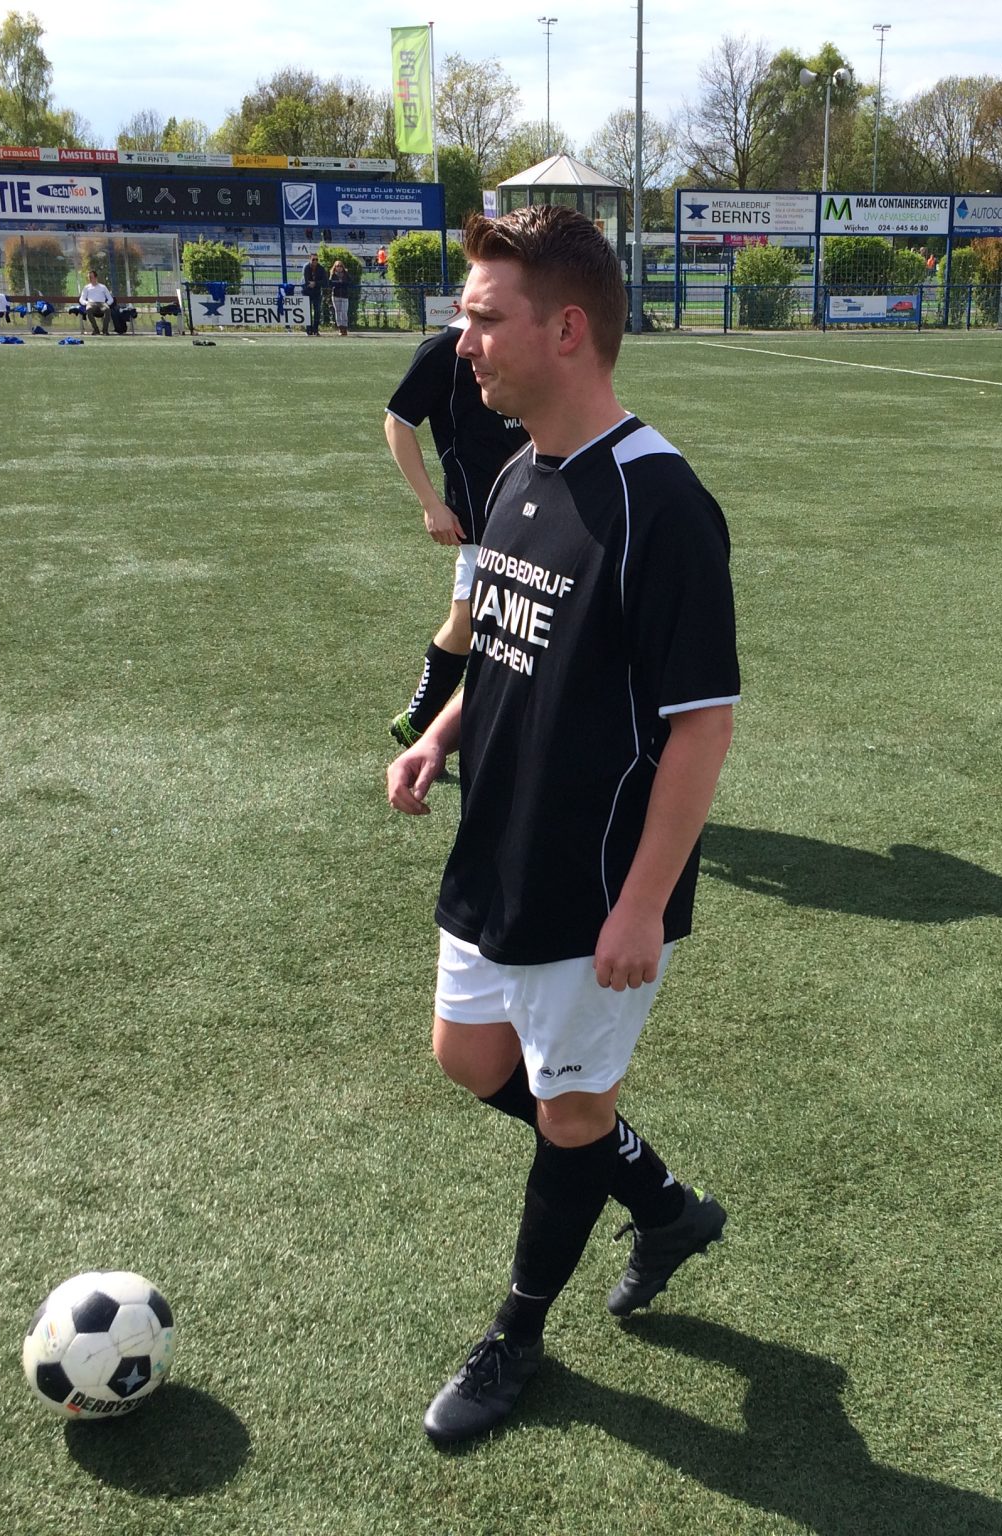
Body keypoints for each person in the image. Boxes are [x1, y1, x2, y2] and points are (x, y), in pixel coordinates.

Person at [387, 204, 740, 1446]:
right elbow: (504, 645)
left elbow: (700, 728)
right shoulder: (514, 472)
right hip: (498, 847)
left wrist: (642, 904)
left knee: (570, 1114)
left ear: (568, 330)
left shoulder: (662, 504)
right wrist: (441, 733)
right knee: (469, 1060)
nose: (461, 344)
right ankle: (668, 1207)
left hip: (595, 884)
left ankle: (516, 1336)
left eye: (484, 319)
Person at [384, 305, 529, 749]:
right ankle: (424, 724)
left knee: (483, 623)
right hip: (481, 518)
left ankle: (424, 723)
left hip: (534, 504)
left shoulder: (521, 337)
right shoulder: (445, 350)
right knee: (476, 624)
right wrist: (432, 505)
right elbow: (397, 423)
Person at [301, 253, 324, 336]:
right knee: (308, 311)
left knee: (317, 311)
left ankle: (316, 330)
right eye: (313, 259)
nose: (315, 261)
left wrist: (315, 283)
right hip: (306, 291)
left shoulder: (321, 268)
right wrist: (310, 283)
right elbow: (306, 279)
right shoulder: (306, 267)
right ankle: (308, 330)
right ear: (310, 259)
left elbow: (324, 280)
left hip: (317, 292)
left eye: (316, 259)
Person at [329, 258, 353, 337]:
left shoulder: (346, 274)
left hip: (344, 295)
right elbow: (331, 283)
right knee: (338, 312)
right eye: (337, 266)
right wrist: (339, 283)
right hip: (336, 295)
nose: (339, 267)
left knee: (344, 312)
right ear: (335, 267)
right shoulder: (333, 275)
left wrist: (342, 283)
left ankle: (345, 328)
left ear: (343, 267)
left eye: (340, 266)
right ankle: (340, 328)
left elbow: (349, 283)